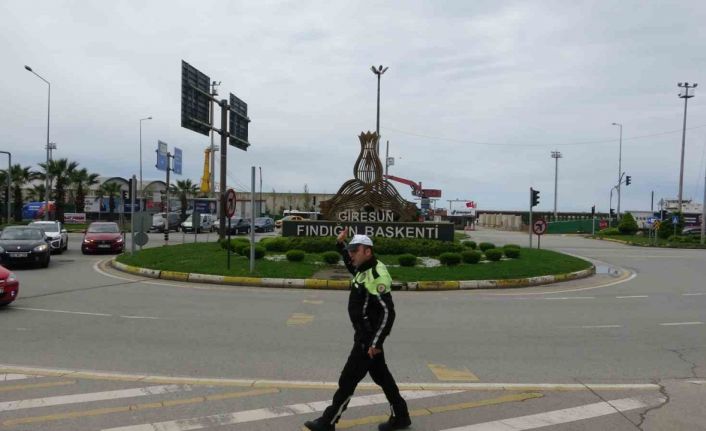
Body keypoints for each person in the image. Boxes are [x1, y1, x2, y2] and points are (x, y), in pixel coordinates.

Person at [304, 228, 411, 431]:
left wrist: (375, 343)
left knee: (348, 379)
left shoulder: (376, 276)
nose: (351, 254)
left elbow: (388, 313)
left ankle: (328, 421)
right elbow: (351, 264)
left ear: (367, 251)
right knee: (382, 377)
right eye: (351, 250)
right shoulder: (362, 268)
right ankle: (401, 416)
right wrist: (340, 245)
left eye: (355, 250)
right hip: (366, 337)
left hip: (367, 339)